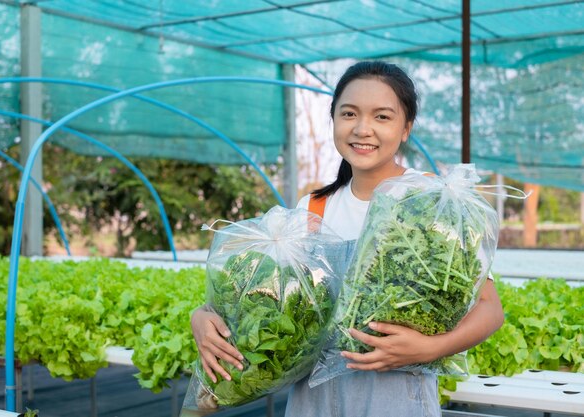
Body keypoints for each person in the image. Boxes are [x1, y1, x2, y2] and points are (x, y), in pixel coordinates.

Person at [191, 61, 504, 416]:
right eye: (349, 113)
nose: (362, 128)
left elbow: (490, 309)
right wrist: (202, 317)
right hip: (314, 399)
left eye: (382, 117)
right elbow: (265, 298)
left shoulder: (431, 202)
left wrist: (431, 348)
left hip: (395, 397)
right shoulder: (313, 208)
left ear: (406, 128)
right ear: (334, 120)